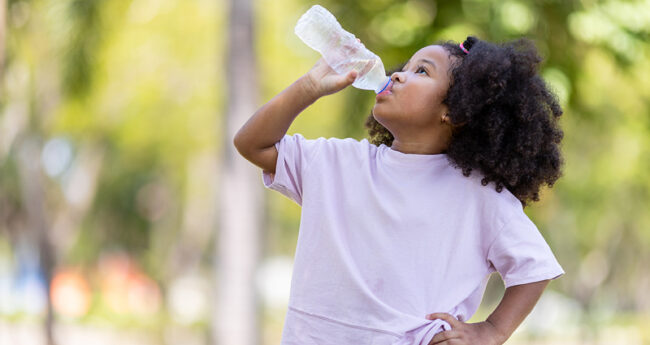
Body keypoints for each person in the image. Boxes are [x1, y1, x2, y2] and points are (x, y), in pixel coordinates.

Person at [234, 36, 565, 345]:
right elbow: (252, 144)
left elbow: (534, 268)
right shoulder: (337, 162)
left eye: (421, 71)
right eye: (404, 67)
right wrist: (309, 86)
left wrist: (491, 331)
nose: (398, 76)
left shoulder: (479, 196)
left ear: (454, 111)